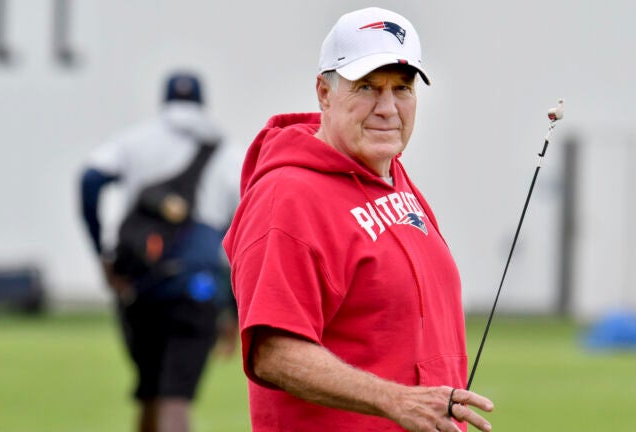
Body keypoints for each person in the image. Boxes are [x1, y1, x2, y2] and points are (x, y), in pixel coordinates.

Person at [223, 7, 494, 432]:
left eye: (402, 89)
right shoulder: (287, 197)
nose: (388, 108)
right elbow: (272, 351)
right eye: (367, 87)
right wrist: (396, 400)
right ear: (325, 92)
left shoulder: (390, 175)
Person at [79, 71, 241, 432]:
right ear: (202, 103)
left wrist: (102, 252)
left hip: (140, 286)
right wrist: (232, 309)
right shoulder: (227, 153)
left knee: (151, 390)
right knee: (175, 397)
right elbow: (239, 236)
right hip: (196, 288)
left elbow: (90, 181)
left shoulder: (134, 141)